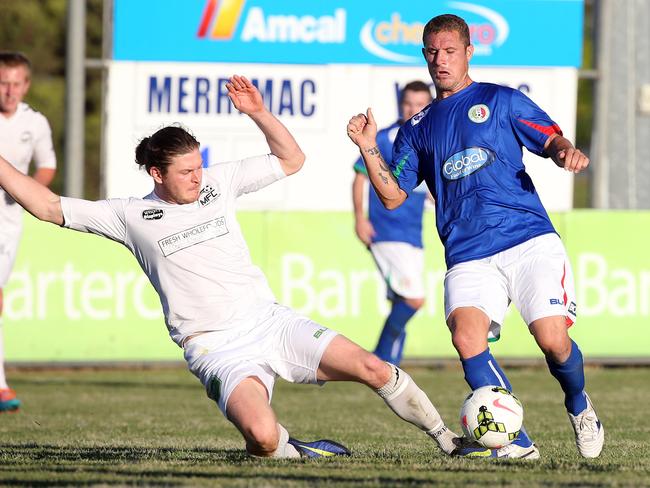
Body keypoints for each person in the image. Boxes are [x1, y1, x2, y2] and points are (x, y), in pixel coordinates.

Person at [0, 75, 470, 458]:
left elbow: (292, 159)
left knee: (374, 367)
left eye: (198, 167)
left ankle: (448, 440)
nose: (196, 177)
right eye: (184, 172)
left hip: (269, 321)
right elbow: (47, 206)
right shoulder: (129, 215)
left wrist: (259, 113)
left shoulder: (217, 183)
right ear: (156, 174)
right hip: (216, 350)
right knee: (262, 438)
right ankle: (288, 448)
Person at [347, 15, 604, 459]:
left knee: (553, 341)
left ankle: (579, 405)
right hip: (467, 253)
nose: (440, 60)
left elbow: (551, 139)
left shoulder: (501, 101)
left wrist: (566, 153)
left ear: (469, 52)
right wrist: (368, 146)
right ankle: (514, 441)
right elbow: (391, 197)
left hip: (528, 240)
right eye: (432, 52)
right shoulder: (416, 128)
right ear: (424, 55)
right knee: (467, 338)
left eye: (449, 51)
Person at [352, 81, 432, 365]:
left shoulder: (430, 138)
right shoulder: (385, 138)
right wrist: (360, 219)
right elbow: (361, 177)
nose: (413, 109)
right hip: (387, 230)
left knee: (402, 300)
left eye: (420, 104)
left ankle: (391, 366)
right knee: (414, 299)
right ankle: (379, 358)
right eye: (408, 103)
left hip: (413, 234)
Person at [0, 52, 57, 412]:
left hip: (5, 221)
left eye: (15, 84)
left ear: (26, 85)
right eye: (3, 83)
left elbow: (47, 166)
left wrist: (27, 194)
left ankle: (1, 385)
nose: (9, 91)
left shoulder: (34, 122)